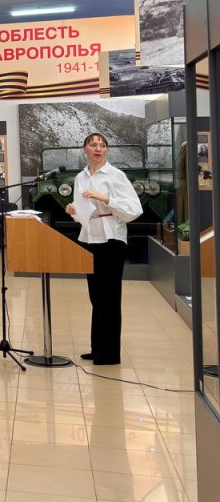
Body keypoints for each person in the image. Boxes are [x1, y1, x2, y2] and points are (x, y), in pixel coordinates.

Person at [66, 133, 143, 366]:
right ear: (85, 149)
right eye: (93, 144)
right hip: (90, 237)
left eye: (102, 145)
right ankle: (97, 346)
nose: (98, 148)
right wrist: (73, 211)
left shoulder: (116, 175)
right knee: (96, 296)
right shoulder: (80, 177)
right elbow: (83, 211)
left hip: (112, 239)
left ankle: (109, 354)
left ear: (106, 150)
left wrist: (105, 198)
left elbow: (134, 209)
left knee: (110, 297)